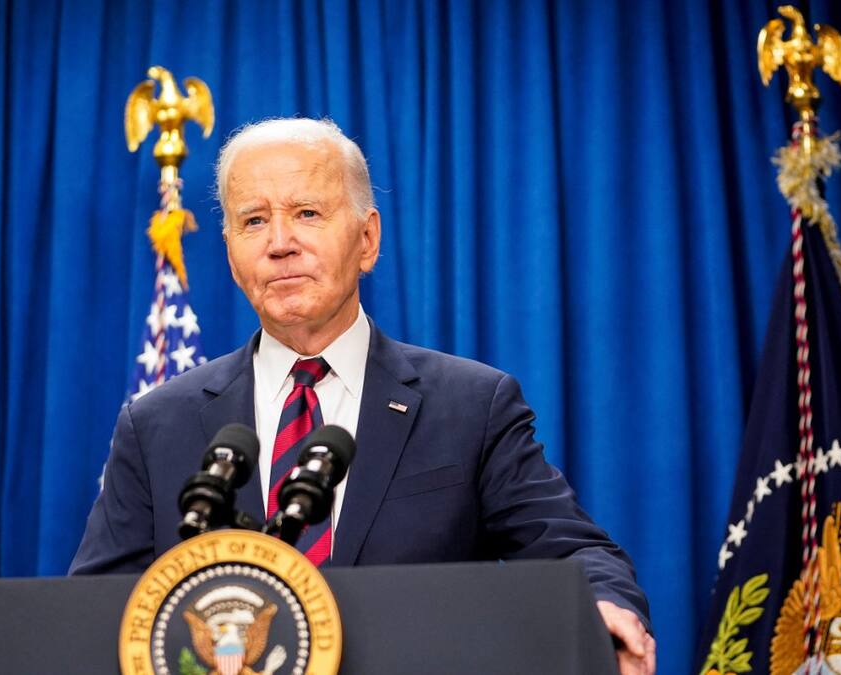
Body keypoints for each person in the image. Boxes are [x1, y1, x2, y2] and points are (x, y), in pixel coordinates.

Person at [71, 118, 657, 674]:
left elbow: (571, 550)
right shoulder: (156, 424)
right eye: (253, 221)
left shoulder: (471, 406)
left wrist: (605, 610)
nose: (279, 243)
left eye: (307, 212)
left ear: (367, 239)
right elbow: (93, 611)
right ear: (230, 254)